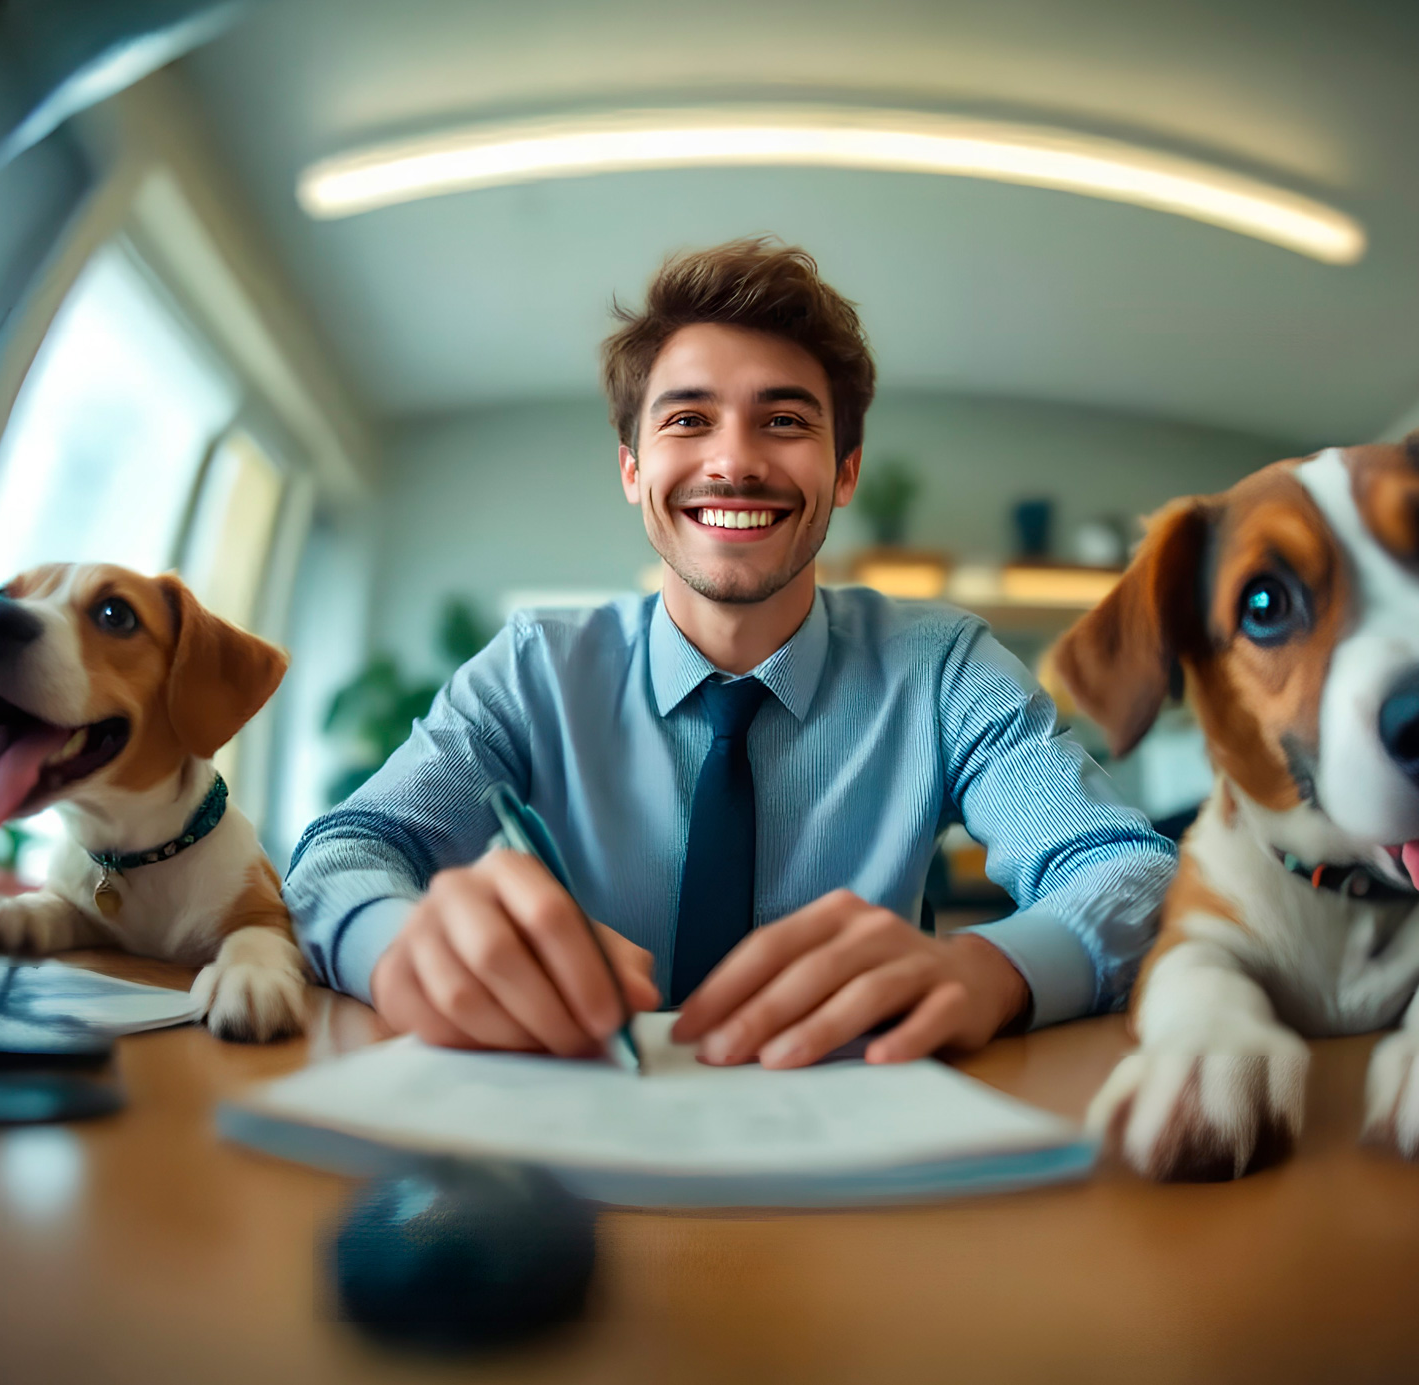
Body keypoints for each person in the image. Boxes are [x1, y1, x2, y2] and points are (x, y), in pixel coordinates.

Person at [285, 237, 1174, 1069]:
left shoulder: (946, 669)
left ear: (847, 471)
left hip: (850, 1137)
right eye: (688, 421)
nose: (734, 461)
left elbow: (1131, 870)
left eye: (784, 420)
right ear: (632, 468)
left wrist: (993, 968)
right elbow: (344, 855)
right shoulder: (533, 670)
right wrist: (403, 951)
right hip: (579, 1126)